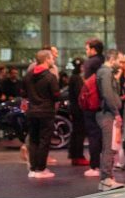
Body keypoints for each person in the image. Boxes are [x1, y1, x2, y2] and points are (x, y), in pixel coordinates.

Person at [23, 49, 60, 179]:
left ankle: (33, 169)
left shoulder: (28, 76)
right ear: (46, 59)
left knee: (33, 140)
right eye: (52, 58)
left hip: (32, 111)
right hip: (46, 112)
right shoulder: (50, 77)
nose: (53, 60)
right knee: (44, 141)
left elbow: (24, 93)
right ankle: (41, 169)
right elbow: (56, 95)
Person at [94, 50, 123, 190]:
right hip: (107, 114)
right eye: (119, 60)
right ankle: (106, 179)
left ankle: (107, 178)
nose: (120, 64)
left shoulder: (106, 72)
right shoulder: (106, 72)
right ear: (112, 59)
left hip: (108, 113)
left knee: (110, 146)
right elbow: (108, 94)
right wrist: (116, 113)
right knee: (109, 147)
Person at [80, 38, 106, 176]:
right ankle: (103, 164)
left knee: (93, 135)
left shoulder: (90, 63)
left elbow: (87, 84)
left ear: (93, 49)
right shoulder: (104, 61)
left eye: (87, 49)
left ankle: (94, 166)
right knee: (103, 135)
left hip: (92, 104)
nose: (86, 51)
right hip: (105, 103)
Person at [65, 58, 88, 166]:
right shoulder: (77, 78)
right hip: (78, 109)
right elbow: (80, 94)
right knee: (79, 133)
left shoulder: (73, 77)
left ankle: (74, 155)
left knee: (76, 132)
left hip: (74, 108)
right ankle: (78, 156)